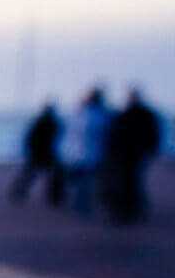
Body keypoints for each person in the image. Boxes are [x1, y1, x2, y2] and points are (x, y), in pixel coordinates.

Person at [106, 88, 162, 223]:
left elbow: (152, 134)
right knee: (127, 182)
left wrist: (150, 149)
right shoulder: (128, 114)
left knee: (130, 182)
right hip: (125, 154)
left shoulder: (141, 114)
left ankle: (130, 211)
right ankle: (129, 211)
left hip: (134, 154)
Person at [63, 86, 110, 214]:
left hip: (83, 155)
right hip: (85, 155)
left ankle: (82, 205)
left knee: (84, 182)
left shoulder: (83, 114)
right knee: (84, 182)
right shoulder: (97, 115)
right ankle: (82, 205)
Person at [9, 101, 64, 206]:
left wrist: (28, 150)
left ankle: (54, 197)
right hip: (43, 153)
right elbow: (32, 138)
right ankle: (54, 197)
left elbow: (29, 138)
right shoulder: (50, 122)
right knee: (37, 175)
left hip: (40, 153)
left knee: (31, 175)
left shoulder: (41, 122)